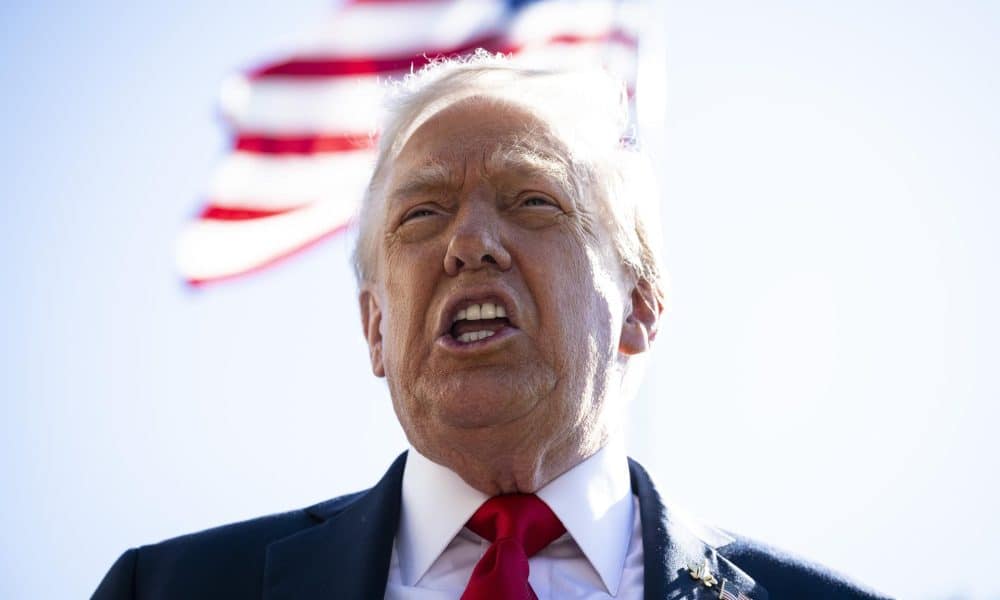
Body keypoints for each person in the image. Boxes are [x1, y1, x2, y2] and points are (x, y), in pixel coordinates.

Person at [93, 54, 892, 600]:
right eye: (423, 213)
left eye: (533, 200)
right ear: (374, 325)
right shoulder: (169, 589)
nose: (470, 243)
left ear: (642, 305)